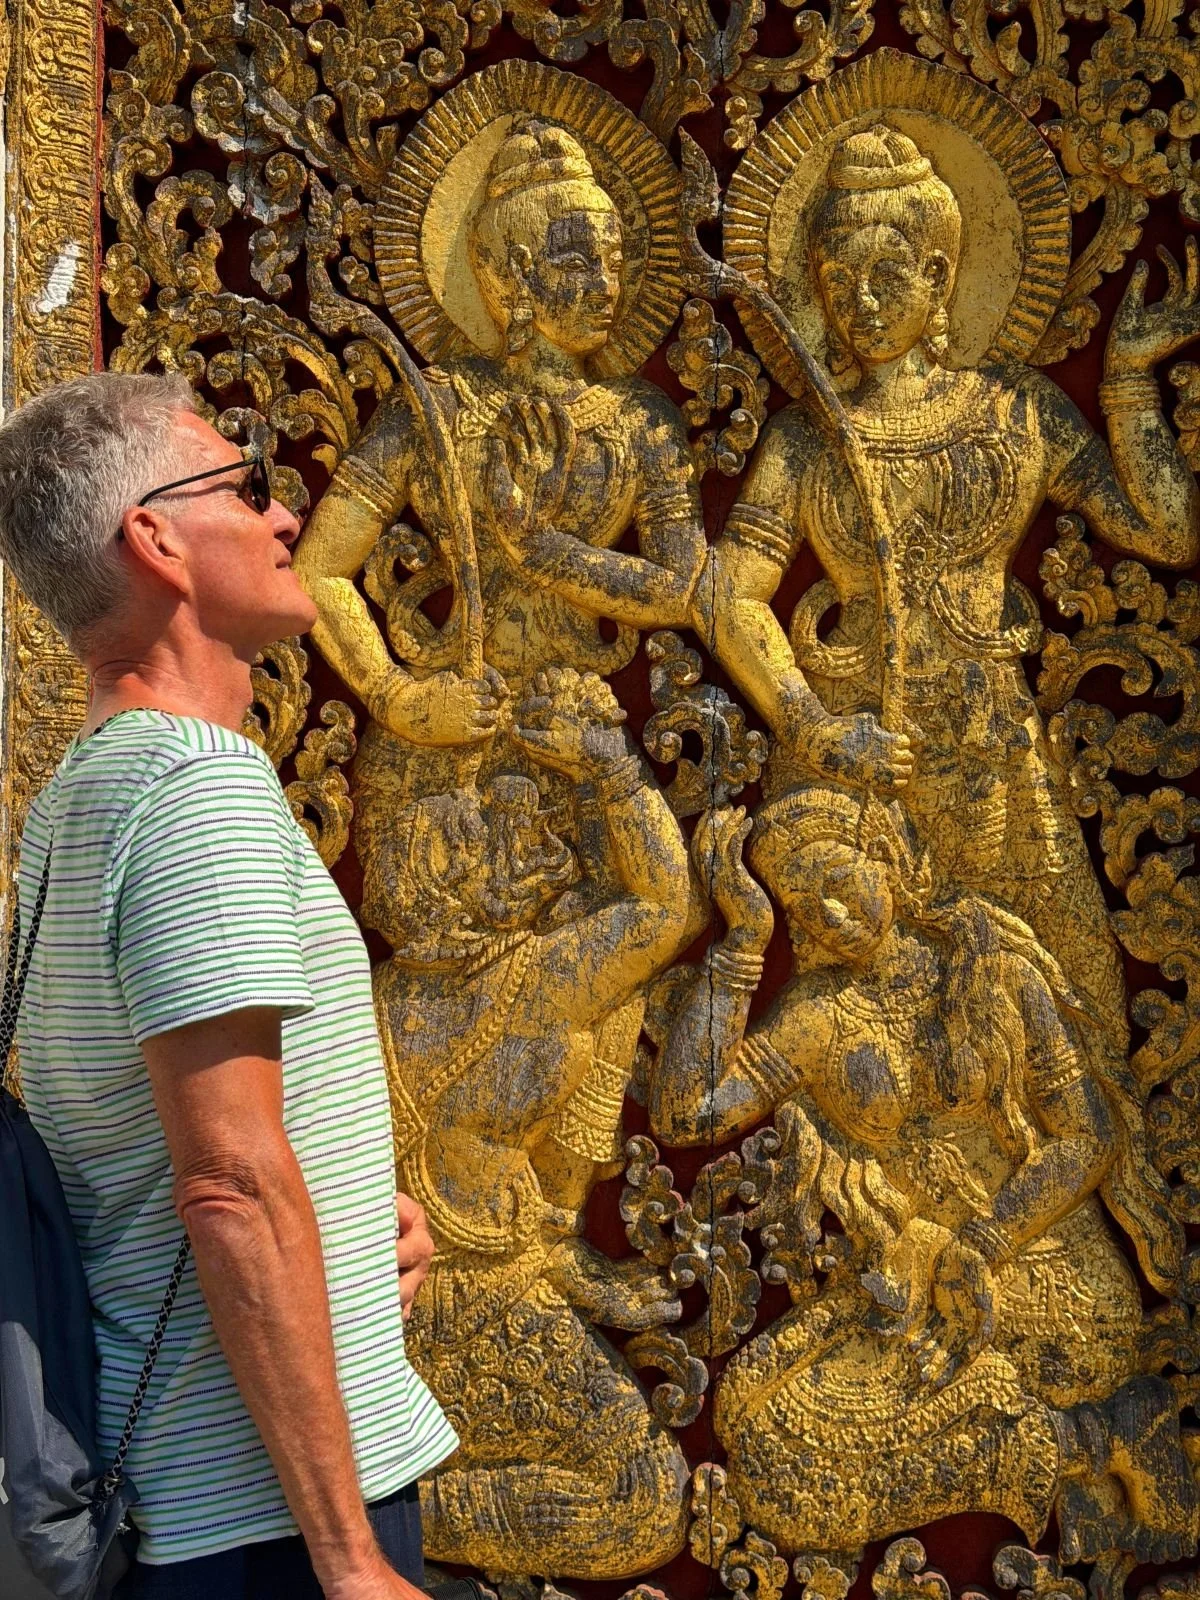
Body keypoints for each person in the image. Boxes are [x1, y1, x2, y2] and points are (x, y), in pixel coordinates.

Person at [0, 372, 458, 1600]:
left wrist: (357, 1233)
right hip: (261, 1526)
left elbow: (142, 1161)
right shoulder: (197, 791)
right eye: (245, 483)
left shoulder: (71, 806)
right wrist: (350, 1560)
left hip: (182, 1504)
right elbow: (229, 1187)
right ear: (154, 538)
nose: (285, 514)